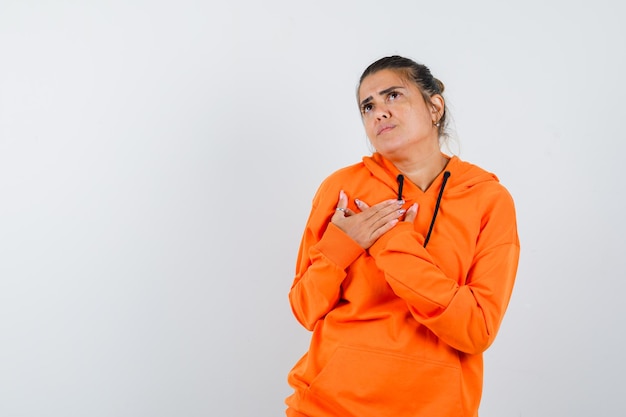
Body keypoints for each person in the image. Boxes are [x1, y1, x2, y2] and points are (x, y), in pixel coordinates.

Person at [285, 55, 520, 417]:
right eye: (368, 106)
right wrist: (341, 247)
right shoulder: (342, 188)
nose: (379, 112)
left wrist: (391, 244)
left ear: (434, 106)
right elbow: (304, 308)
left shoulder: (487, 198)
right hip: (327, 405)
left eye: (392, 95)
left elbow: (477, 330)